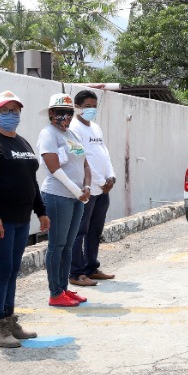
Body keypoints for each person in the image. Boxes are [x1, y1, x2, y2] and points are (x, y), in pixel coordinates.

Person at [0, 91, 50, 348]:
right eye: (5, 111)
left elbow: (32, 183)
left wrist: (41, 211)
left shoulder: (23, 143)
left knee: (13, 270)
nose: (10, 115)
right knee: (2, 270)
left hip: (20, 217)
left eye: (15, 111)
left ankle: (8, 320)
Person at [37, 93, 92, 307]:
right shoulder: (48, 134)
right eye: (60, 112)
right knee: (57, 245)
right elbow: (53, 167)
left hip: (78, 197)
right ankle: (55, 292)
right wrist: (75, 190)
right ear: (51, 113)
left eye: (69, 113)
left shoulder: (73, 135)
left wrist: (86, 187)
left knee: (68, 246)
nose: (65, 117)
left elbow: (85, 164)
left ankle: (64, 288)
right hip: (58, 196)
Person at [69, 90, 117, 287]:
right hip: (87, 188)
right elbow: (81, 158)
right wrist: (98, 181)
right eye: (87, 106)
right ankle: (76, 272)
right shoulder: (73, 128)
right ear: (78, 106)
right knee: (79, 231)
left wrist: (111, 177)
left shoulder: (96, 128)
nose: (91, 110)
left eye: (94, 106)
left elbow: (103, 154)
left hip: (102, 189)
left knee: (95, 231)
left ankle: (91, 267)